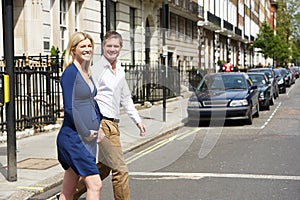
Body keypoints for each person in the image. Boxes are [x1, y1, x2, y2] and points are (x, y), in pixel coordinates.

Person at [74, 31, 146, 200]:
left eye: (116, 46)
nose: (112, 49)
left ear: (120, 48)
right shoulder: (97, 69)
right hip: (103, 124)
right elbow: (88, 97)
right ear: (103, 46)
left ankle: (68, 193)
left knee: (104, 168)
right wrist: (95, 124)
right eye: (109, 46)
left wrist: (138, 120)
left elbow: (126, 98)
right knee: (120, 170)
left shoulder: (120, 70)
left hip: (114, 125)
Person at [56, 32, 104, 200]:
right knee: (95, 184)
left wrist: (100, 125)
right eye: (83, 46)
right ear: (73, 49)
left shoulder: (86, 73)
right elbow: (70, 108)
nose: (87, 49)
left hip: (87, 139)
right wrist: (85, 131)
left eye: (89, 46)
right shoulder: (70, 74)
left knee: (68, 191)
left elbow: (92, 102)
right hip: (74, 138)